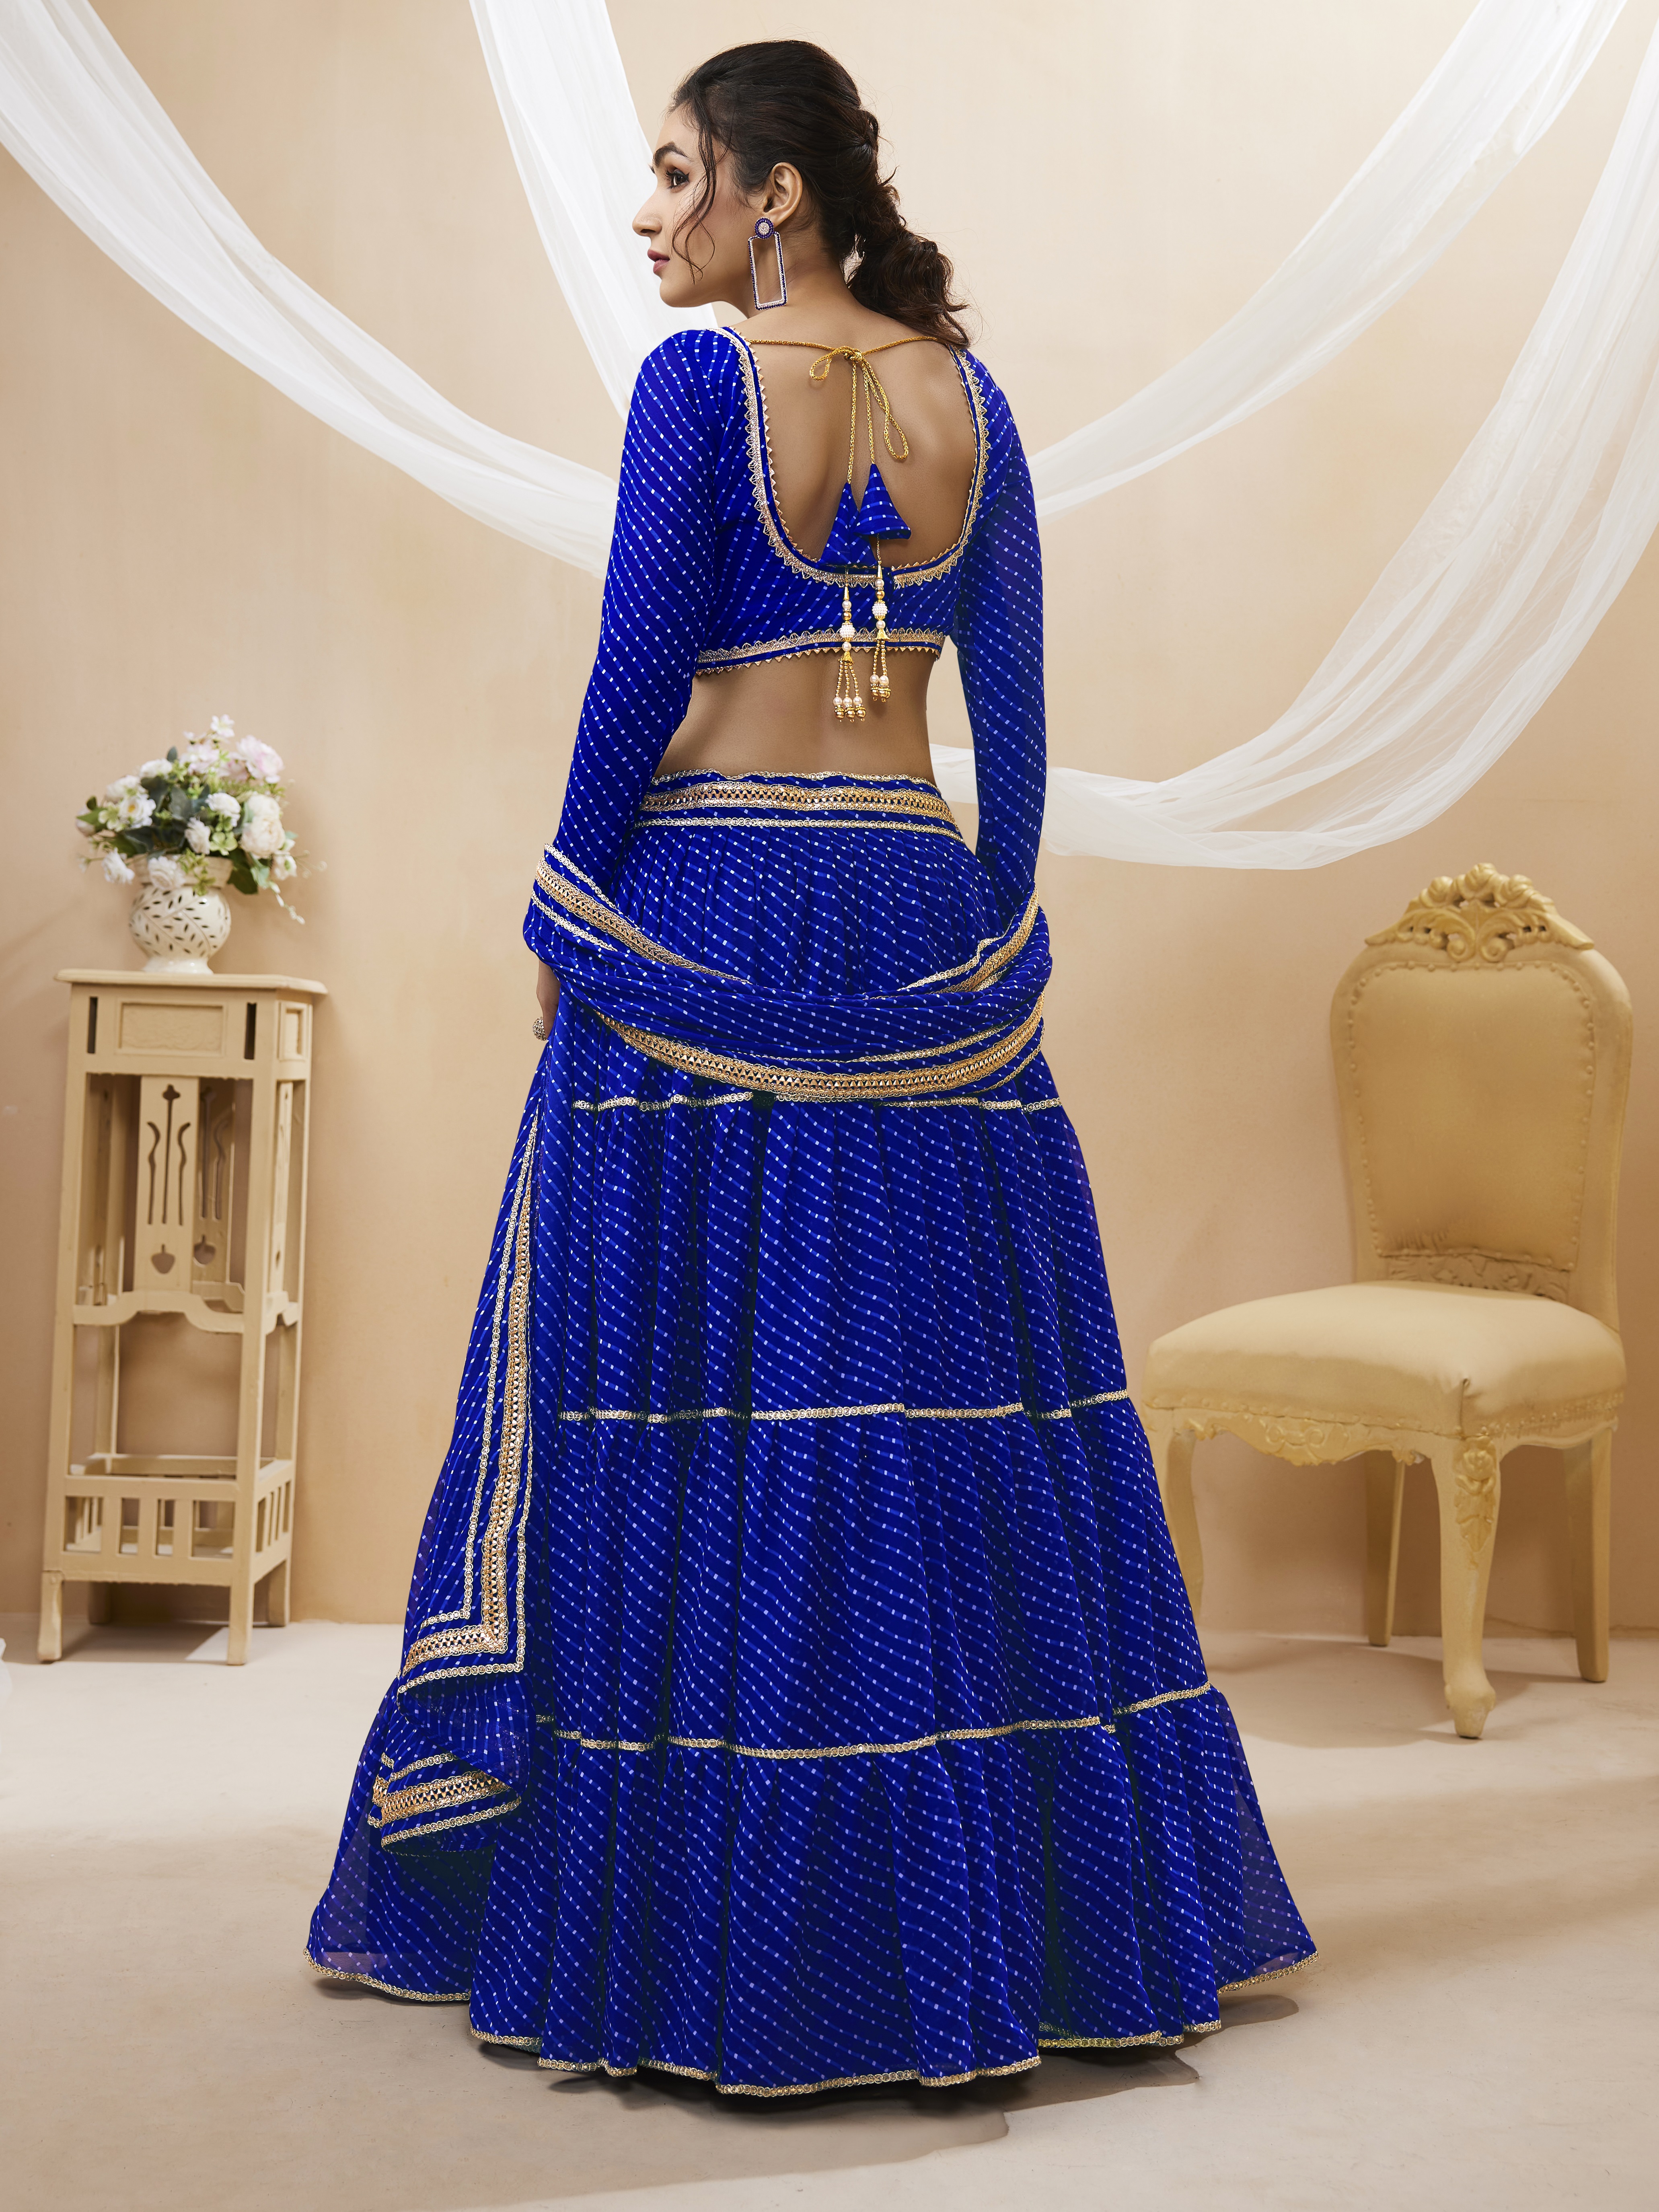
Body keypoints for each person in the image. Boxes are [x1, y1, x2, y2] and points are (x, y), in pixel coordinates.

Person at [308, 39, 1314, 2095]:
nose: (649, 213)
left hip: (711, 905)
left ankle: (708, 1923)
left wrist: (566, 905)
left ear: (774, 194)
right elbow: (1012, 723)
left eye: (678, 171)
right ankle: (1010, 1919)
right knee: (949, 1409)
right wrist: (985, 944)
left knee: (690, 1408)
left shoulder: (699, 388)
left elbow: (637, 668)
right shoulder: (973, 403)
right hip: (913, 900)